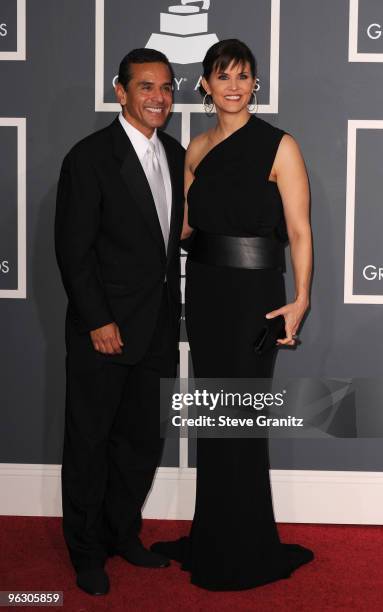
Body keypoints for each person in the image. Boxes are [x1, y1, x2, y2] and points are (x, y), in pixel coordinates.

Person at [151, 39, 314, 590]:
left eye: (244, 76)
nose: (235, 86)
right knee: (216, 420)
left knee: (242, 420)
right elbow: (188, 228)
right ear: (206, 85)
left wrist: (301, 299)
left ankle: (247, 545)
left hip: (255, 298)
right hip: (207, 294)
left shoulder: (280, 146)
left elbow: (298, 231)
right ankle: (214, 535)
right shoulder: (195, 149)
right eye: (224, 76)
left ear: (255, 83)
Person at [54, 48, 185, 595]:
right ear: (121, 91)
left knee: (140, 440)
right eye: (147, 87)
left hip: (156, 328)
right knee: (90, 441)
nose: (159, 97)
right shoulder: (89, 157)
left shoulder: (176, 155)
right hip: (103, 330)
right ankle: (86, 553)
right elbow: (73, 250)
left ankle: (122, 534)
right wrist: (97, 319)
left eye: (167, 88)